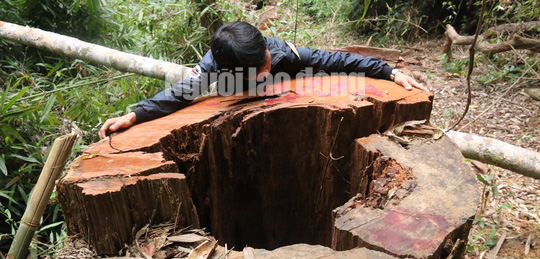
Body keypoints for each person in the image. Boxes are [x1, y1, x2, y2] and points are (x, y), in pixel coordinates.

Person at [99, 21, 428, 139]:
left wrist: (390, 72)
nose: (267, 68)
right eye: (260, 69)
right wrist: (134, 115)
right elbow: (179, 94)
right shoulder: (213, 68)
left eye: (266, 63)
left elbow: (337, 60)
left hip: (299, 104)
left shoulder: (285, 54)